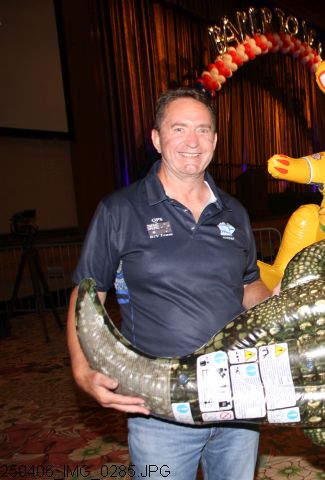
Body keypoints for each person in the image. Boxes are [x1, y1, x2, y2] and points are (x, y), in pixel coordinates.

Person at [67, 87, 270, 480]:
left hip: (237, 396)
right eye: (179, 129)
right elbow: (87, 296)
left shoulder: (235, 212)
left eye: (203, 130)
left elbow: (248, 286)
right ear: (157, 139)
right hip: (159, 406)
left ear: (214, 140)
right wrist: (80, 369)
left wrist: (285, 307)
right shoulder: (119, 210)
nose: (192, 141)